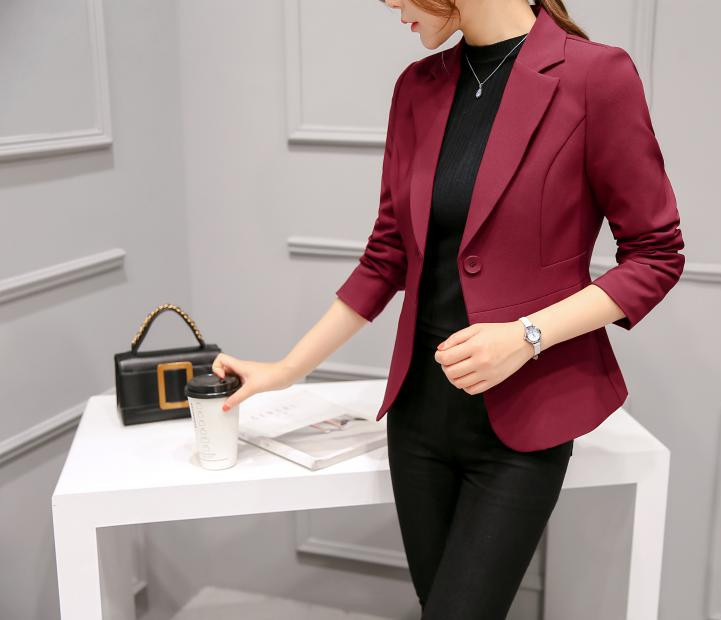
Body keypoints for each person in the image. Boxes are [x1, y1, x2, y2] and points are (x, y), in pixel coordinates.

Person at [213, 1, 685, 617]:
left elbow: (655, 255)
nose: (394, 8)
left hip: (523, 421)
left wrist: (527, 335)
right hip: (420, 420)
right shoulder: (417, 87)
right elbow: (387, 255)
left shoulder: (596, 77)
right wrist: (286, 370)